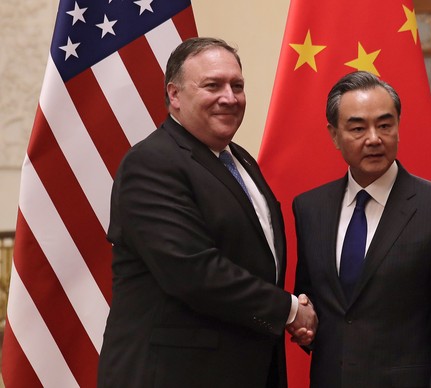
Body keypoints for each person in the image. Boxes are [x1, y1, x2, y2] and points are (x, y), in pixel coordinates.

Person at [97, 37, 317, 388]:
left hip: (243, 368)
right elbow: (192, 271)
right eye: (212, 85)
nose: (229, 98)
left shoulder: (240, 160)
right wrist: (289, 310)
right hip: (174, 374)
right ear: (174, 95)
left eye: (237, 86)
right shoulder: (152, 163)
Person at [292, 71, 431, 387]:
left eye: (385, 125)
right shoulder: (310, 208)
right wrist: (305, 326)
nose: (374, 138)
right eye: (358, 128)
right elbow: (315, 299)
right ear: (334, 135)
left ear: (398, 128)